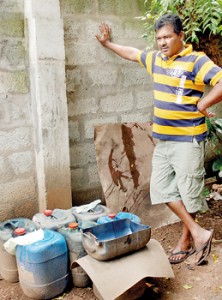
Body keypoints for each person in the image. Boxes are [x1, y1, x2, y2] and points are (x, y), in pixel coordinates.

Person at [96, 13, 222, 265]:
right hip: (164, 141)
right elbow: (132, 53)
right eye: (158, 38)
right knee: (161, 190)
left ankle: (187, 241)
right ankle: (199, 233)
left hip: (188, 141)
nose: (162, 42)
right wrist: (108, 44)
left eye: (167, 37)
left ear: (181, 36)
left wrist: (203, 102)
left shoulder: (196, 60)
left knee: (189, 194)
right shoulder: (155, 59)